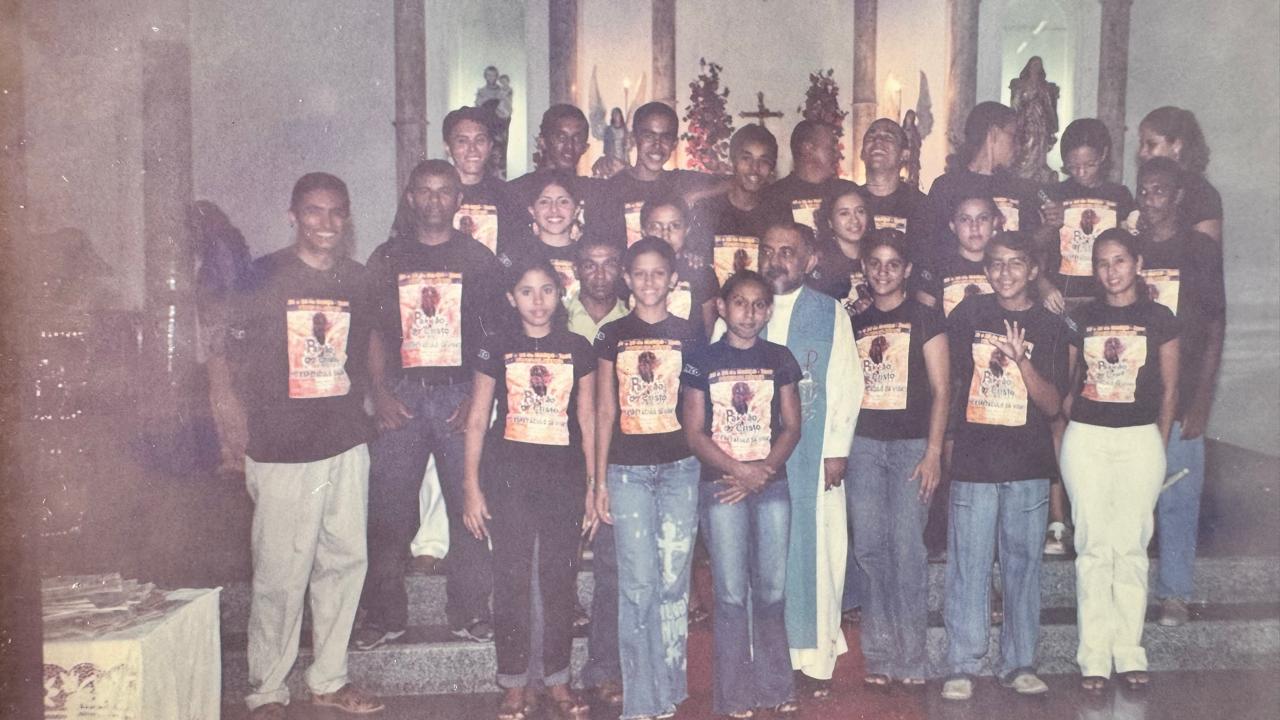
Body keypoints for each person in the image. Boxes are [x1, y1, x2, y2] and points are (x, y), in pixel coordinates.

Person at [229, 173, 383, 718]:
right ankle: (268, 689)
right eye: (314, 211)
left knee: (344, 562)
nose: (326, 222)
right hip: (282, 446)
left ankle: (329, 679)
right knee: (280, 573)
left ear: (348, 218)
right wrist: (231, 424)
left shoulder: (359, 279)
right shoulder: (263, 274)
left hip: (344, 439)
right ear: (293, 215)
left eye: (337, 212)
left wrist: (377, 397)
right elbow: (226, 353)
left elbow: (371, 343)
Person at [356, 159, 502, 650]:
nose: (435, 200)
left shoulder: (478, 259)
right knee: (388, 511)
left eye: (444, 191)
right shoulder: (387, 257)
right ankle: (383, 614)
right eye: (425, 190)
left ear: (459, 199)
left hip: (460, 394)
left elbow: (492, 338)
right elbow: (373, 332)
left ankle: (470, 611)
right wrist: (379, 392)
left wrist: (477, 397)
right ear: (411, 198)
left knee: (469, 508)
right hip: (402, 394)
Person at [461, 258, 596, 720]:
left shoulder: (577, 347)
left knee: (560, 580)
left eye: (546, 290)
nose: (537, 301)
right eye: (526, 291)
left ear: (560, 294)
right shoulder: (496, 344)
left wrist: (593, 486)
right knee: (511, 579)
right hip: (509, 478)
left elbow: (588, 420)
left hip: (564, 478)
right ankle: (514, 682)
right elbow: (477, 418)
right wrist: (471, 486)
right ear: (510, 297)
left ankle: (558, 679)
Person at [940, 231, 1069, 701]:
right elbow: (951, 383)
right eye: (995, 263)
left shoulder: (1050, 326)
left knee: (1023, 567)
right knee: (968, 566)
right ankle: (963, 663)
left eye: (1016, 262)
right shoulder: (968, 314)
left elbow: (1053, 405)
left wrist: (1021, 362)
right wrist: (946, 444)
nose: (1005, 272)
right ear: (985, 269)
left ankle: (1019, 663)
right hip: (975, 461)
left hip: (1028, 462)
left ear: (1033, 269)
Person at [1060, 229, 1179, 692]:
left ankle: (1129, 652)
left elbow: (1169, 390)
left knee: (1130, 547)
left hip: (1140, 440)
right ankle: (1093, 657)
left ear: (1138, 263)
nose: (1111, 271)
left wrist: (1157, 445)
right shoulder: (1082, 317)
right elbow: (1067, 379)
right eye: (1102, 263)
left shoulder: (1159, 317)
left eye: (1120, 261)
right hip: (1087, 440)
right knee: (1092, 547)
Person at [682, 271, 803, 718]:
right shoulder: (701, 359)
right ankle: (734, 696)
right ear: (721, 307)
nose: (749, 313)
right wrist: (739, 471)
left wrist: (763, 471)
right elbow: (694, 432)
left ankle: (776, 687)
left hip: (771, 484)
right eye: (739, 302)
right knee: (732, 594)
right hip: (722, 486)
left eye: (758, 304)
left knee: (771, 590)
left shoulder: (780, 357)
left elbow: (792, 425)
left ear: (768, 310)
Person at [594, 237, 705, 720]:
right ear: (626, 278)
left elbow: (700, 406)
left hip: (681, 469)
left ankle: (669, 690)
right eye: (639, 273)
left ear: (673, 278)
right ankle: (640, 700)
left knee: (673, 583)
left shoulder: (690, 332)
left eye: (658, 272)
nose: (649, 281)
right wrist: (597, 481)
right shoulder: (611, 334)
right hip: (627, 474)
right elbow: (604, 410)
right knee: (637, 585)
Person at [755, 222, 862, 698]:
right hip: (754, 454)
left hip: (814, 454)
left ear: (810, 260)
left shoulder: (829, 312)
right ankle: (769, 657)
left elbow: (846, 382)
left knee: (817, 551)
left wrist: (836, 449)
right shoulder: (742, 306)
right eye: (768, 250)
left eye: (788, 252)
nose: (776, 260)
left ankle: (815, 661)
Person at [848, 229, 949, 688]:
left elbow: (942, 390)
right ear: (864, 268)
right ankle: (880, 653)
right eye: (875, 263)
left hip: (912, 447)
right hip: (864, 448)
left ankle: (912, 657)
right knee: (870, 548)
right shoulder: (855, 323)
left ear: (907, 269)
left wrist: (933, 453)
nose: (883, 272)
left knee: (907, 548)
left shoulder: (925, 317)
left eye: (893, 263)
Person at [1036, 118, 1136, 556]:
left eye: (1089, 166)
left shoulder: (1121, 196)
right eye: (1073, 167)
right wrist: (1045, 285)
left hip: (1106, 314)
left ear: (1105, 158)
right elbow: (1032, 256)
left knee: (1100, 407)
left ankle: (1101, 513)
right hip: (1062, 310)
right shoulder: (1052, 195)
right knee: (1058, 409)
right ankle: (1058, 520)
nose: (1081, 174)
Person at [1133, 157, 1226, 627]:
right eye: (1144, 191)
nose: (1151, 201)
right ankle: (1125, 591)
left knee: (1178, 495)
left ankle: (1174, 592)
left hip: (1184, 393)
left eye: (1160, 191)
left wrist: (1203, 397)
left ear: (1179, 197)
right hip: (1132, 395)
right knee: (1129, 499)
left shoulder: (1199, 249)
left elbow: (1215, 326)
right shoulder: (1129, 248)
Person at [923, 102, 1045, 262]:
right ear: (994, 133)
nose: (1017, 146)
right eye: (1013, 136)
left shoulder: (1018, 189)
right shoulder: (946, 187)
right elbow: (931, 246)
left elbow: (1030, 245)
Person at [602, 101, 717, 248]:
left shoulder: (680, 180)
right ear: (633, 139)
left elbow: (732, 182)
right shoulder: (613, 187)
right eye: (649, 136)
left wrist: (694, 195)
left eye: (665, 137)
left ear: (674, 144)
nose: (657, 145)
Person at [690, 124, 791, 279]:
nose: (754, 168)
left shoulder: (778, 214)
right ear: (733, 161)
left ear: (772, 167)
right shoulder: (708, 209)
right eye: (746, 158)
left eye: (763, 161)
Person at [1137, 107, 1221, 243]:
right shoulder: (1145, 188)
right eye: (1141, 144)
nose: (1142, 152)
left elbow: (1206, 252)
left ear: (1177, 145)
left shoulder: (1203, 194)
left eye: (1151, 145)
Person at [639, 195, 719, 338]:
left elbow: (708, 328)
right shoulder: (632, 271)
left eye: (675, 226)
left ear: (687, 230)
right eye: (656, 227)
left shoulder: (701, 272)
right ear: (644, 231)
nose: (665, 234)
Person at [498, 171, 583, 304]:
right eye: (544, 202)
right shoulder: (514, 255)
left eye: (563, 202)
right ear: (532, 211)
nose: (554, 209)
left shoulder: (588, 255)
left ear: (576, 210)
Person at [763, 120, 859, 232]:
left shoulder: (847, 191)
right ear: (807, 149)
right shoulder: (774, 196)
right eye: (831, 148)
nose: (838, 154)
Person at [916, 195, 1000, 317]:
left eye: (983, 218)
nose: (974, 227)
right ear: (953, 226)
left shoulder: (1004, 267)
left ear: (995, 222)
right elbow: (923, 318)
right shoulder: (936, 266)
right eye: (965, 219)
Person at [444, 106, 508, 254]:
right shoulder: (430, 192)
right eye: (462, 141)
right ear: (447, 147)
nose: (472, 149)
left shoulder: (507, 194)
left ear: (490, 146)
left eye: (480, 140)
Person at [859, 118, 928, 249]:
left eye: (888, 137)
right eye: (871, 136)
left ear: (904, 155)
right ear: (862, 153)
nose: (878, 140)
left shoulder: (921, 206)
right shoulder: (850, 202)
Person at [807, 184, 873, 316]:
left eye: (860, 211)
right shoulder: (818, 261)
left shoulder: (876, 255)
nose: (854, 220)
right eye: (844, 213)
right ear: (830, 221)